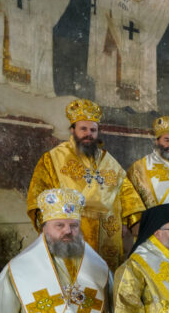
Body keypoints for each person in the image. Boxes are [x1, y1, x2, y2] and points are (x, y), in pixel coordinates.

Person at [26, 99, 144, 271]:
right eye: (83, 129)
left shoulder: (109, 161)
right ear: (72, 130)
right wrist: (47, 225)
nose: (89, 134)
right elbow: (38, 194)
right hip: (70, 231)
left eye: (93, 130)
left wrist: (129, 221)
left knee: (104, 280)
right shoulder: (53, 158)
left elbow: (127, 193)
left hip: (107, 232)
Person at [128, 116, 169, 208]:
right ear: (157, 142)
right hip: (154, 219)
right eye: (166, 140)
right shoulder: (140, 166)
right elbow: (131, 201)